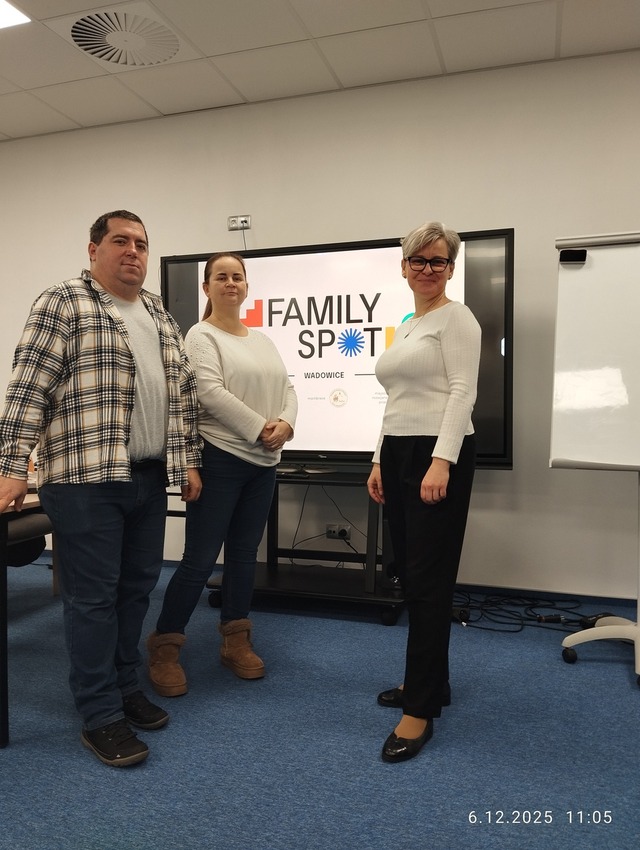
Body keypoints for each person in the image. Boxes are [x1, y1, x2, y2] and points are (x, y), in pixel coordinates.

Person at [0, 210, 203, 768]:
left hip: (147, 477)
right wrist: (12, 465)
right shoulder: (63, 302)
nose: (133, 251)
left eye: (141, 243)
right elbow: (28, 387)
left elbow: (182, 394)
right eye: (120, 241)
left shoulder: (158, 313)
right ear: (94, 250)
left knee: (136, 591)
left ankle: (123, 686)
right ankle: (99, 714)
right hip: (84, 479)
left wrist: (187, 460)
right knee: (92, 600)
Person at [147, 252, 297, 694]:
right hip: (221, 459)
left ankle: (236, 640)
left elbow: (288, 387)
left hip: (263, 464)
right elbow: (209, 393)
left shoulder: (262, 339)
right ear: (206, 287)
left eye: (238, 277)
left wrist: (287, 424)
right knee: (198, 561)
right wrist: (261, 428)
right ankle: (165, 645)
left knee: (245, 556)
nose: (231, 283)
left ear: (247, 286)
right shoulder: (201, 335)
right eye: (221, 277)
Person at [367, 221, 481, 763]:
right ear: (404, 267)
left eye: (438, 261)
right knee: (413, 577)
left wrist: (441, 461)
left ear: (451, 269)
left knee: (429, 581)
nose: (428, 269)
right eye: (419, 260)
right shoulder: (411, 324)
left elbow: (462, 392)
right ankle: (431, 683)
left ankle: (420, 709)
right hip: (399, 453)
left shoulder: (458, 318)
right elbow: (398, 400)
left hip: (437, 455)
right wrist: (378, 459)